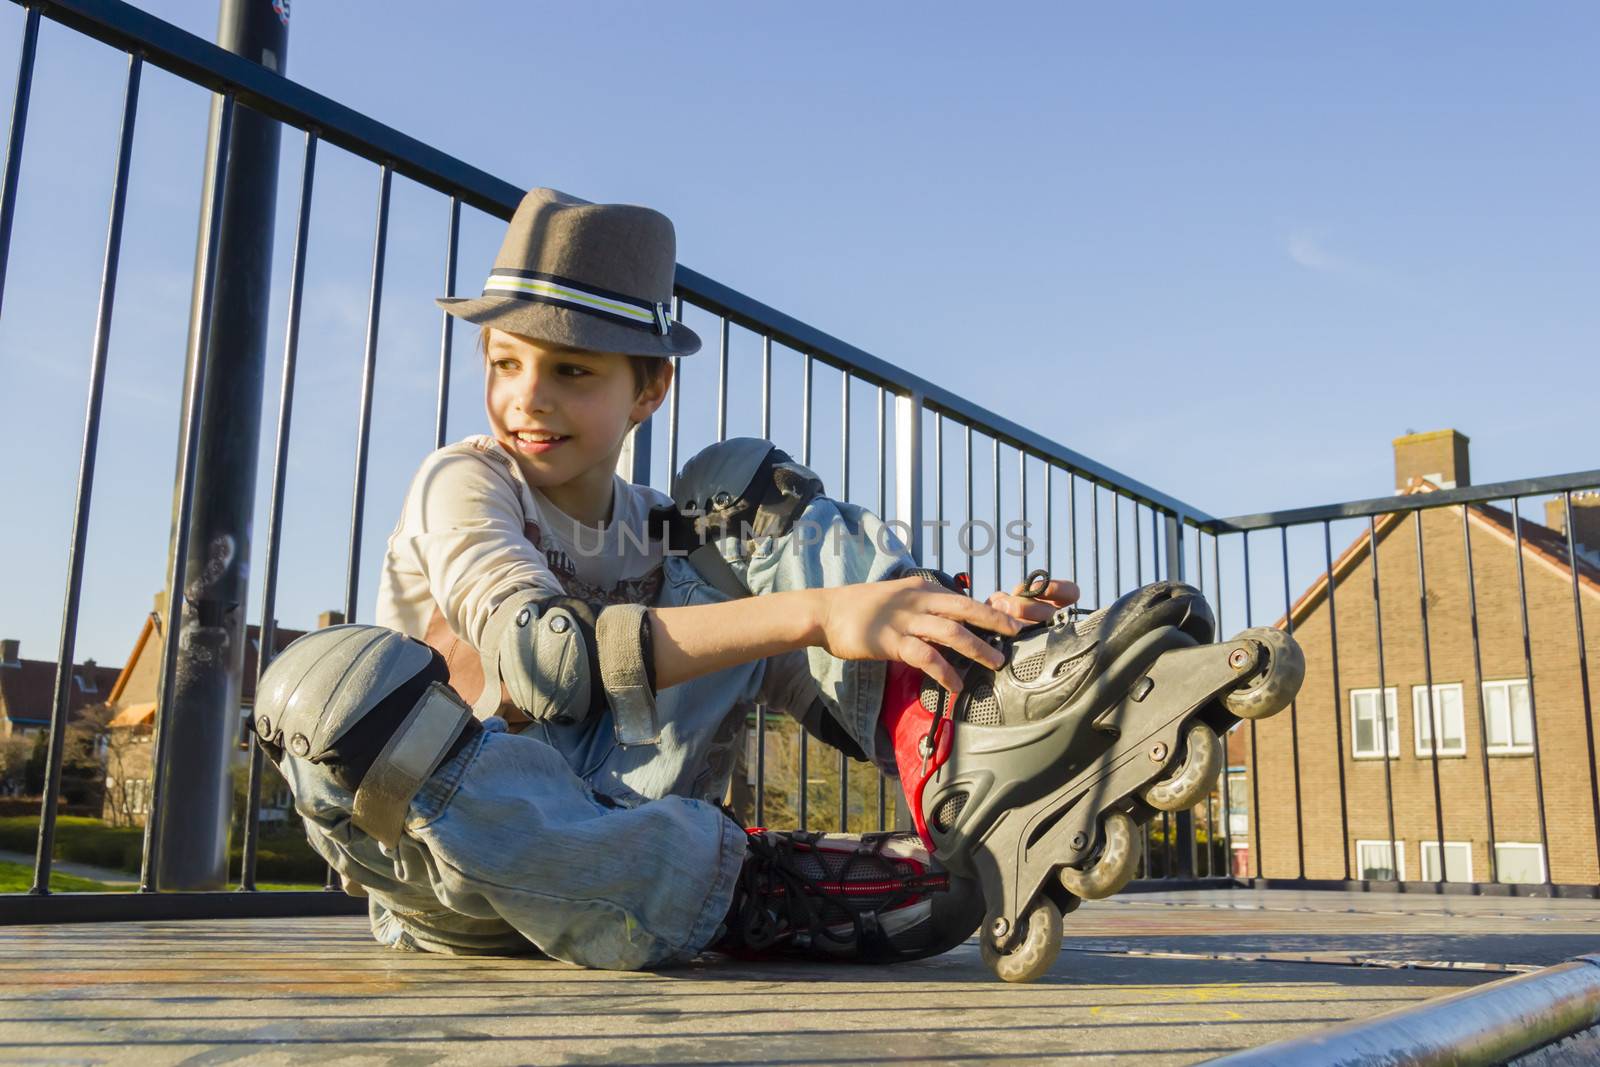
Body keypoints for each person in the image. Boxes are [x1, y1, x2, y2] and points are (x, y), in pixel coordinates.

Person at [255, 187, 1106, 970]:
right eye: (505, 362)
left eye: (572, 370)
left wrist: (939, 617)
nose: (528, 399)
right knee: (325, 689)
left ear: (650, 388)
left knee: (736, 492)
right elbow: (544, 663)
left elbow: (804, 654)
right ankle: (738, 888)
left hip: (633, 828)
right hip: (476, 861)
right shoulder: (468, 481)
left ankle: (973, 722)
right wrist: (820, 612)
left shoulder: (668, 533)